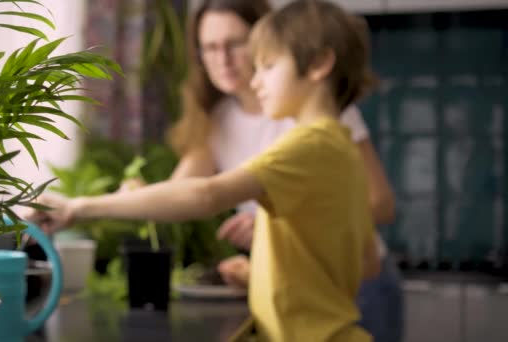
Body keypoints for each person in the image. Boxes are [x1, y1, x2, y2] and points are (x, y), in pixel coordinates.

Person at [24, 1, 382, 340]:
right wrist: (263, 273)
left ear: (319, 64)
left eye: (268, 67)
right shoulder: (340, 147)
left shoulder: (306, 144)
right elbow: (365, 262)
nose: (256, 81)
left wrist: (78, 207)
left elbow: (206, 194)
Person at [130, 0, 403, 341]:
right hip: (300, 283)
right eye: (210, 48)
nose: (222, 59)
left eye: (234, 44)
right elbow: (181, 193)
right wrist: (128, 195)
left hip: (353, 281)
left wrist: (279, 225)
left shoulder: (322, 119)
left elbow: (381, 204)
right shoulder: (219, 121)